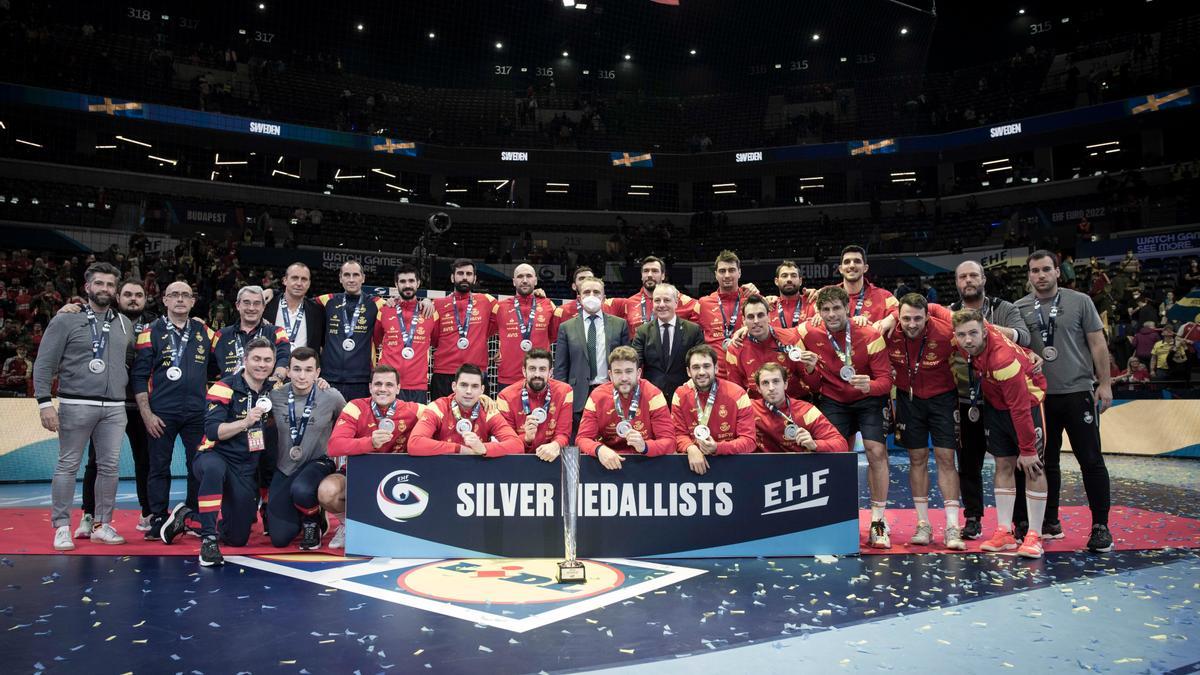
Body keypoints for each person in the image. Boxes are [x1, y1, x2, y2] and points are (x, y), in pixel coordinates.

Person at [1014, 250, 1113, 553]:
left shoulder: (1080, 301)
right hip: (1039, 397)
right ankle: (1049, 521)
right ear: (1028, 275)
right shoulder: (1019, 307)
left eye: (1046, 270)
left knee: (1091, 459)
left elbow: (1097, 344)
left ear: (1058, 272)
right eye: (1034, 271)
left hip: (1077, 391)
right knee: (1045, 462)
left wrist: (1105, 383)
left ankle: (1100, 526)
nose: (1040, 276)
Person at [34, 262, 134, 550]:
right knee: (67, 466)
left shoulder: (124, 324)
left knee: (110, 467)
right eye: (99, 284)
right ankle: (62, 526)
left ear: (115, 290)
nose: (104, 289)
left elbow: (126, 362)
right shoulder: (65, 319)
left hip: (114, 407)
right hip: (75, 402)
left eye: (110, 285)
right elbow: (44, 364)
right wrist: (44, 403)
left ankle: (102, 524)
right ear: (87, 287)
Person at [160, 337, 278, 567]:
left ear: (273, 363)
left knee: (238, 538)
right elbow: (214, 431)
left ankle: (188, 518)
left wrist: (320, 383)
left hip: (244, 466)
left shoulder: (273, 389)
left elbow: (303, 385)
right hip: (214, 454)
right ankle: (209, 540)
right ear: (245, 360)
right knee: (214, 469)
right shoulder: (224, 387)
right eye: (256, 359)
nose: (261, 365)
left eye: (267, 360)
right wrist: (245, 422)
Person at [796, 286, 894, 547]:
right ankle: (837, 517)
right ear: (818, 312)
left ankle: (878, 521)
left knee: (875, 451)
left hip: (868, 399)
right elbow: (780, 336)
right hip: (834, 400)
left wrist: (869, 386)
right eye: (825, 309)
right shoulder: (808, 331)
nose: (831, 314)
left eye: (836, 308)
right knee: (834, 456)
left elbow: (886, 380)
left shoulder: (871, 334)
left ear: (848, 309)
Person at [952, 309, 1050, 559]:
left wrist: (1027, 450)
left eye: (973, 333)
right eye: (962, 335)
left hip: (1027, 404)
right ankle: (1005, 532)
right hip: (995, 405)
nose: (968, 340)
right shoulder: (967, 344)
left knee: (1034, 467)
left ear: (985, 331)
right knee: (1003, 464)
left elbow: (1018, 408)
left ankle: (1035, 535)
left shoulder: (1002, 360)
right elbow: (938, 311)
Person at [947, 260, 1031, 540]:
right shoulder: (950, 313)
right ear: (957, 282)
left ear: (983, 278)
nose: (968, 281)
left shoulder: (1005, 308)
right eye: (962, 277)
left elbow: (1024, 336)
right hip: (965, 399)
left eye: (973, 275)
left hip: (1000, 400)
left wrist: (986, 327)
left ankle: (1020, 521)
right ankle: (973, 517)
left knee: (1010, 461)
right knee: (968, 463)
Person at [874, 294, 965, 550]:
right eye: (906, 318)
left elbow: (980, 337)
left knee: (947, 458)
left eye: (917, 318)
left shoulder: (948, 332)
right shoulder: (889, 333)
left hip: (943, 400)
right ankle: (923, 524)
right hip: (908, 400)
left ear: (927, 316)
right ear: (898, 317)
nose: (912, 324)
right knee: (917, 458)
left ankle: (951, 526)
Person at [71, 279, 157, 537]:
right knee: (97, 463)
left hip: (143, 406)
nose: (133, 299)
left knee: (147, 462)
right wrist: (69, 310)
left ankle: (148, 513)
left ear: (146, 299)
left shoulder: (157, 325)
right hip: (110, 403)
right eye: (128, 294)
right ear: (118, 297)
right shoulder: (100, 319)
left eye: (139, 295)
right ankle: (89, 515)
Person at [132, 281, 215, 540]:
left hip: (196, 414)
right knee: (158, 466)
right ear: (165, 300)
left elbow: (228, 357)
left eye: (186, 295)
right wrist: (146, 414)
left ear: (193, 301)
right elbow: (138, 376)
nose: (180, 299)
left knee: (198, 466)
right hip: (161, 413)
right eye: (174, 295)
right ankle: (157, 516)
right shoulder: (150, 332)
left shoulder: (205, 332)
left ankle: (192, 515)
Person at [324, 364, 426, 548]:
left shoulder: (414, 410)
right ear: (370, 387)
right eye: (378, 384)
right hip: (359, 476)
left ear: (398, 388)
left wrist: (480, 400)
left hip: (397, 479)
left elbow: (443, 412)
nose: (383, 389)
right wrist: (369, 442)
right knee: (327, 491)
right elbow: (334, 446)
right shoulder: (355, 407)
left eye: (389, 384)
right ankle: (346, 524)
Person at [264, 348, 346, 550]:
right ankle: (306, 512)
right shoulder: (274, 397)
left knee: (302, 489)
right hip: (285, 467)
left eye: (308, 370)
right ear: (288, 371)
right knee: (280, 538)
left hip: (318, 462)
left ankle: (313, 522)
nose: (302, 376)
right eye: (297, 369)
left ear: (317, 372)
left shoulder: (330, 396)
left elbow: (350, 421)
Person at [553, 277, 630, 435]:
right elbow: (561, 368)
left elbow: (626, 364)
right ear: (579, 297)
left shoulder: (620, 324)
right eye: (587, 292)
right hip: (578, 396)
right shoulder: (566, 328)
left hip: (610, 391)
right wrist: (560, 399)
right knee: (579, 444)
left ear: (603, 297)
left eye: (596, 292)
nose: (592, 295)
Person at [576, 346, 674, 469]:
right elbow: (582, 439)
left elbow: (669, 442)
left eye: (629, 371)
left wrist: (645, 446)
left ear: (638, 373)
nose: (624, 378)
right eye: (618, 372)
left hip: (646, 462)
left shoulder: (654, 395)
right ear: (610, 375)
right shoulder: (597, 396)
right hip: (608, 463)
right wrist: (599, 450)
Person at [671, 345, 755, 475]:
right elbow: (678, 435)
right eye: (696, 367)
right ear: (688, 371)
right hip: (693, 465)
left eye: (706, 366)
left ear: (716, 368)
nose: (701, 372)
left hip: (731, 465)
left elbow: (749, 441)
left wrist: (717, 447)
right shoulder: (680, 395)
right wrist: (690, 448)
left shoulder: (738, 394)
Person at [409, 364, 523, 456]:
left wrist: (484, 448)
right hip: (441, 472)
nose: (469, 391)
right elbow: (414, 444)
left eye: (474, 386)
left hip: (475, 476)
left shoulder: (488, 410)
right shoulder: (439, 408)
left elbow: (517, 446)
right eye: (463, 385)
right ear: (454, 386)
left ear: (482, 389)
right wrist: (458, 449)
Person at [316, 260, 386, 401]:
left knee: (356, 421)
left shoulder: (377, 303)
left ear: (363, 278)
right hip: (329, 379)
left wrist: (426, 302)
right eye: (347, 275)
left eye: (356, 275)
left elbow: (403, 307)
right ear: (340, 278)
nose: (351, 279)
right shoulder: (327, 300)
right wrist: (271, 291)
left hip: (361, 380)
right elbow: (298, 300)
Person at [430, 259, 496, 399]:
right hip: (444, 372)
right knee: (442, 418)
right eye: (460, 273)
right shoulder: (437, 304)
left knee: (479, 419)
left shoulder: (487, 301)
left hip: (476, 373)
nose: (465, 277)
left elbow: (506, 320)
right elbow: (434, 339)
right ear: (452, 277)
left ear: (474, 278)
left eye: (468, 273)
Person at [726, 294, 811, 401]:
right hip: (757, 409)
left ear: (769, 317)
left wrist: (811, 369)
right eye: (751, 317)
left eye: (760, 315)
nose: (756, 321)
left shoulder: (790, 339)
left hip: (795, 402)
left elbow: (813, 385)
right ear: (743, 320)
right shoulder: (735, 348)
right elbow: (736, 394)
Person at [375, 263, 438, 403]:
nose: (407, 285)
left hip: (417, 386)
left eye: (411, 281)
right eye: (403, 281)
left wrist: (428, 301)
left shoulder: (429, 313)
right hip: (387, 384)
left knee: (417, 425)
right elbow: (375, 341)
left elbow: (436, 341)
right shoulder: (384, 310)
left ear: (418, 283)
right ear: (396, 284)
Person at [631, 282, 704, 403]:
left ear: (676, 303)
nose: (661, 305)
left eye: (667, 300)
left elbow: (699, 362)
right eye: (657, 300)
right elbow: (634, 363)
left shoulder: (693, 330)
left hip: (685, 397)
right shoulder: (642, 332)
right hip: (652, 397)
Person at [751, 363, 847, 453]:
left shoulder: (806, 411)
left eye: (776, 381)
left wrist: (814, 444)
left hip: (800, 468)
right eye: (765, 383)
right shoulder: (750, 409)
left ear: (785, 384)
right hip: (763, 467)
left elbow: (842, 445)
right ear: (758, 388)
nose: (771, 388)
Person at [496, 348, 574, 460]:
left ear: (550, 372)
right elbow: (506, 442)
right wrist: (526, 438)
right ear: (524, 371)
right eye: (532, 369)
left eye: (542, 369)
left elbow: (563, 434)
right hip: (518, 460)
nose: (537, 374)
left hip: (552, 457)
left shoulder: (565, 391)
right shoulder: (505, 397)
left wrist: (555, 445)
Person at [491, 263, 556, 388]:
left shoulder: (549, 305)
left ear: (536, 280)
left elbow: (552, 336)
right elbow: (483, 331)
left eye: (529, 276)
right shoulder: (500, 307)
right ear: (514, 282)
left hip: (539, 378)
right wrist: (502, 350)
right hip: (508, 377)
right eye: (520, 276)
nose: (525, 280)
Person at [696, 250, 759, 379]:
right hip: (716, 376)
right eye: (722, 271)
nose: (727, 275)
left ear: (739, 272)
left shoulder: (753, 300)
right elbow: (670, 303)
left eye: (731, 270)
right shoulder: (703, 304)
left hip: (748, 373)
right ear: (716, 274)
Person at [608, 256, 699, 332]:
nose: (650, 275)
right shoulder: (629, 303)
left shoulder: (681, 300)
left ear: (663, 275)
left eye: (655, 271)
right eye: (646, 271)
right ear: (641, 276)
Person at [265, 262, 326, 351]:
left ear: (309, 284)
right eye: (294, 278)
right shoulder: (267, 304)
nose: (299, 283)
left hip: (304, 363)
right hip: (271, 363)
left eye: (304, 279)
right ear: (285, 280)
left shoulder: (317, 311)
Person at [832, 245, 897, 324]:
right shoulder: (826, 295)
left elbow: (905, 312)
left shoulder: (884, 297)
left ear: (865, 268)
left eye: (857, 261)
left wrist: (891, 318)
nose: (852, 265)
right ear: (840, 269)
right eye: (847, 262)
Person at [770, 260, 815, 329]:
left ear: (800, 281)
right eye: (784, 276)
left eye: (793, 276)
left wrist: (820, 292)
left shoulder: (812, 302)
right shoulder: (769, 305)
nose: (789, 279)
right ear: (776, 281)